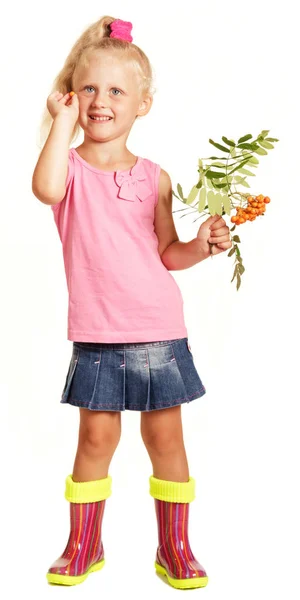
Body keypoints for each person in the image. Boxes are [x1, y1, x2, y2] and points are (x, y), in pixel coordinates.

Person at [32, 15, 231, 589]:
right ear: (71, 95)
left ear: (143, 104)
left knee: (165, 439)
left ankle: (175, 548)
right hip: (97, 331)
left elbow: (168, 253)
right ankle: (83, 545)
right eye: (88, 88)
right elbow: (43, 189)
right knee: (95, 440)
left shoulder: (156, 177)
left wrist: (201, 246)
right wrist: (59, 121)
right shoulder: (66, 169)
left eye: (116, 91)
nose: (101, 101)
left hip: (157, 329)